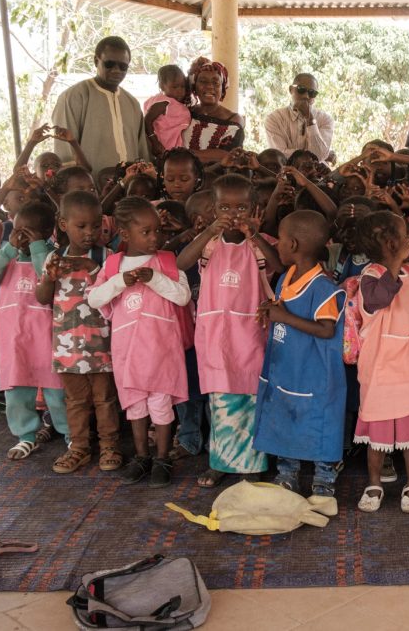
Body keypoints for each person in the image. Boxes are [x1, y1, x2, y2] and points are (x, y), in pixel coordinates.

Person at [177, 174, 280, 488]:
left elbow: (278, 264)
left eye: (241, 207)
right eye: (225, 207)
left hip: (249, 335)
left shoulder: (259, 245)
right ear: (213, 209)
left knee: (250, 399)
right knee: (220, 402)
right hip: (215, 336)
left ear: (254, 209)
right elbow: (182, 263)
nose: (234, 214)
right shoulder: (208, 244)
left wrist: (257, 235)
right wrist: (208, 230)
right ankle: (220, 462)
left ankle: (252, 464)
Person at [87, 197, 192, 488]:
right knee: (135, 407)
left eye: (157, 230)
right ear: (125, 233)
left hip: (161, 354)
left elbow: (182, 297)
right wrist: (121, 281)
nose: (154, 237)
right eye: (146, 232)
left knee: (161, 406)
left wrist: (155, 278)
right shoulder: (112, 265)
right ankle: (141, 457)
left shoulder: (167, 263)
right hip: (129, 354)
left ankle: (162, 458)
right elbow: (94, 298)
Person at [352, 211, 409, 514]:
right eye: (405, 234)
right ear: (391, 243)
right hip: (381, 369)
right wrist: (397, 261)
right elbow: (379, 297)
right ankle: (375, 482)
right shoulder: (369, 275)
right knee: (377, 431)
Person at [253, 211, 347, 499]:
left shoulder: (323, 288)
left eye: (280, 240)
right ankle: (288, 473)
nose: (277, 245)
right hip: (287, 367)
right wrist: (271, 309)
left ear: (292, 244)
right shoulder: (289, 276)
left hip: (315, 373)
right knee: (285, 417)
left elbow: (326, 330)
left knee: (319, 422)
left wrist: (283, 317)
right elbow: (283, 305)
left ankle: (324, 477)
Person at [0, 200, 69, 461]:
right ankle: (26, 435)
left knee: (57, 390)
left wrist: (38, 245)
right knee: (16, 390)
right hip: (12, 337)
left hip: (46, 337)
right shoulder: (7, 254)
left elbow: (46, 276)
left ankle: (72, 435)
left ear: (48, 231)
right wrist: (8, 249)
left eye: (29, 232)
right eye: (18, 230)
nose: (21, 237)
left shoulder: (52, 253)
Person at [35, 191, 121, 474]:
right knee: (75, 400)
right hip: (67, 344)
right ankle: (79, 447)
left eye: (95, 226)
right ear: (63, 224)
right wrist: (49, 276)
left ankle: (109, 446)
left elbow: (113, 292)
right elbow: (42, 297)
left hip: (101, 343)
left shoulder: (106, 256)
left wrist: (92, 267)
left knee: (105, 398)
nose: (89, 233)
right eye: (81, 226)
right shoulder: (54, 257)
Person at [52, 36, 149, 173]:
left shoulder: (132, 103)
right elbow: (64, 153)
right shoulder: (74, 97)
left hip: (128, 190)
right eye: (109, 64)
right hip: (89, 190)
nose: (116, 70)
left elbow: (142, 152)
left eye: (123, 66)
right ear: (96, 61)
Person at [181, 57, 245, 162]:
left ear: (222, 88)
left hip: (219, 178)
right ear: (194, 87)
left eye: (216, 83)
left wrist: (183, 154)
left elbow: (228, 155)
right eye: (203, 82)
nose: (210, 86)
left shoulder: (233, 119)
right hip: (181, 176)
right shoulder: (185, 113)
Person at [264, 73, 335, 163]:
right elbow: (280, 155)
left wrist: (310, 121)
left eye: (311, 93)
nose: (306, 96)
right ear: (291, 89)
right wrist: (320, 155)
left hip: (316, 175)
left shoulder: (325, 119)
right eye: (301, 90)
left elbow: (319, 155)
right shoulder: (274, 119)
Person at [144, 64, 192, 157]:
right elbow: (147, 120)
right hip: (161, 148)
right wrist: (154, 142)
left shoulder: (177, 104)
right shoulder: (163, 102)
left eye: (182, 86)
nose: (180, 91)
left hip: (174, 151)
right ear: (162, 86)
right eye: (175, 87)